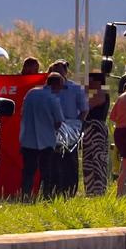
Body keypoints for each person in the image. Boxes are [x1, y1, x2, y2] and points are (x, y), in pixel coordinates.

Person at [19, 72, 64, 199]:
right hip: (46, 140)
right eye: (61, 86)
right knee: (46, 171)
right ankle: (45, 196)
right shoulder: (53, 99)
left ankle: (25, 195)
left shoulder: (31, 93)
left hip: (28, 139)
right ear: (56, 85)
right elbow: (58, 121)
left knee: (28, 171)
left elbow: (23, 112)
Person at [48, 59, 88, 197]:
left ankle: (70, 190)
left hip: (70, 126)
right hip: (52, 127)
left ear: (66, 71)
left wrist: (77, 126)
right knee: (53, 159)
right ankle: (53, 189)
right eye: (56, 70)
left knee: (70, 159)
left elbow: (84, 109)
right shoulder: (47, 88)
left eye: (61, 70)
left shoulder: (76, 88)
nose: (59, 72)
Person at [83, 71, 110, 196]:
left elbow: (86, 106)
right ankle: (90, 189)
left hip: (96, 128)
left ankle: (98, 189)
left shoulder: (101, 92)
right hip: (89, 129)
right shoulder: (92, 93)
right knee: (88, 160)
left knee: (98, 159)